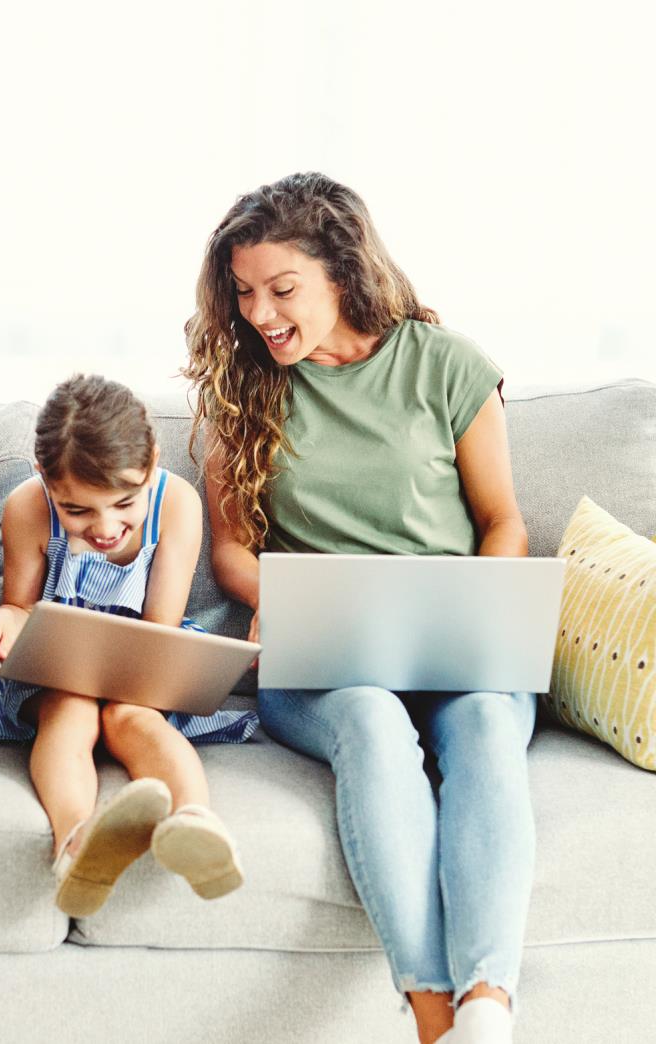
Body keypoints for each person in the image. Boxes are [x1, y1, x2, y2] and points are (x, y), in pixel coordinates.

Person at [185, 172, 533, 1044]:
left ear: (342, 270)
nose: (260, 313)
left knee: (489, 723)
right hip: (326, 654)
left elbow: (503, 524)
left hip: (452, 642)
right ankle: (431, 1015)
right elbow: (231, 549)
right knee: (375, 728)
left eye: (281, 289)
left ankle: (487, 1008)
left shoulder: (445, 366)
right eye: (244, 293)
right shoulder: (243, 386)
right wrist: (285, 596)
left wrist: (483, 618)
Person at [0, 374, 258, 916]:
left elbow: (159, 626)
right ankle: (76, 845)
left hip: (143, 652)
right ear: (43, 477)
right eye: (77, 511)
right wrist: (6, 618)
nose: (105, 526)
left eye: (124, 503)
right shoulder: (26, 508)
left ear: (152, 466)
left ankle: (194, 823)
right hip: (57, 664)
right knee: (69, 713)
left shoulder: (175, 503)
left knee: (133, 716)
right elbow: (21, 607)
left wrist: (123, 676)